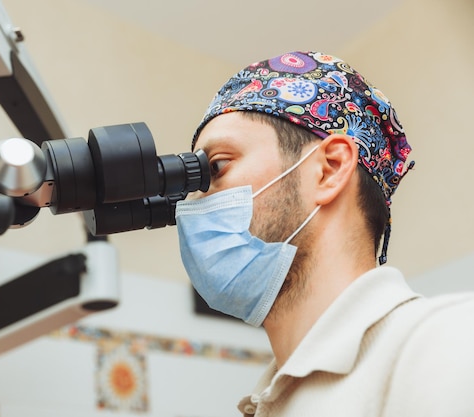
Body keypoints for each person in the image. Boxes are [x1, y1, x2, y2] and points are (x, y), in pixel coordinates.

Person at [174, 51, 474, 416]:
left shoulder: (450, 345)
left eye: (217, 166)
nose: (196, 205)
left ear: (329, 170)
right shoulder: (268, 404)